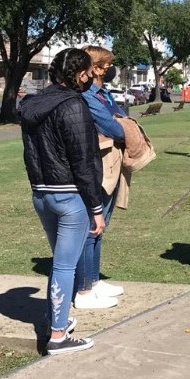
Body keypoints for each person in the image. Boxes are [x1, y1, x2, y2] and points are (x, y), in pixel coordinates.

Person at [20, 48, 105, 355]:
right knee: (64, 265)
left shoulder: (30, 104)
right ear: (80, 73)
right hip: (70, 195)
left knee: (60, 261)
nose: (90, 78)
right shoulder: (73, 104)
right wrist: (96, 207)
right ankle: (58, 336)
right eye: (88, 73)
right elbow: (83, 161)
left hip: (42, 192)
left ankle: (55, 320)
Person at [73, 46, 126, 309]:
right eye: (106, 66)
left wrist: (123, 124)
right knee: (91, 227)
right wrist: (123, 126)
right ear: (94, 67)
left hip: (110, 162)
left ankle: (93, 280)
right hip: (97, 164)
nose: (109, 71)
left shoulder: (102, 93)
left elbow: (123, 118)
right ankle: (83, 290)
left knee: (101, 223)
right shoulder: (87, 96)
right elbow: (114, 126)